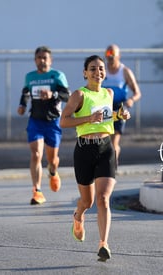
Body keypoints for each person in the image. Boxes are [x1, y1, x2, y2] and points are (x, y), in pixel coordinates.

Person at [60, 55, 130, 261]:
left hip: (106, 149)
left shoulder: (109, 93)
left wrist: (120, 116)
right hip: (84, 150)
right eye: (92, 69)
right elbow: (64, 121)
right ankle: (78, 216)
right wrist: (88, 119)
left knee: (103, 199)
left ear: (105, 73)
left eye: (100, 69)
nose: (97, 72)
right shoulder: (78, 95)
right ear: (84, 73)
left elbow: (107, 117)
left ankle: (103, 244)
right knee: (87, 201)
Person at [17, 46, 70, 205]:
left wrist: (52, 94)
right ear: (35, 60)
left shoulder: (57, 76)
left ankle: (53, 172)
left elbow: (67, 95)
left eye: (45, 57)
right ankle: (37, 191)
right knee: (36, 154)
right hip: (36, 120)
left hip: (53, 121)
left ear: (50, 60)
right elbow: (26, 92)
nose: (42, 60)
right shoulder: (30, 77)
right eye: (39, 58)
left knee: (52, 159)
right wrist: (22, 105)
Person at [102, 44, 141, 168]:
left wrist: (131, 100)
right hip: (105, 106)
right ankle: (104, 165)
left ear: (119, 55)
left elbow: (137, 92)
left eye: (113, 54)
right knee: (104, 139)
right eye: (108, 54)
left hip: (120, 107)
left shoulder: (125, 72)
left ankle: (112, 166)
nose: (111, 56)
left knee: (114, 141)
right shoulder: (102, 70)